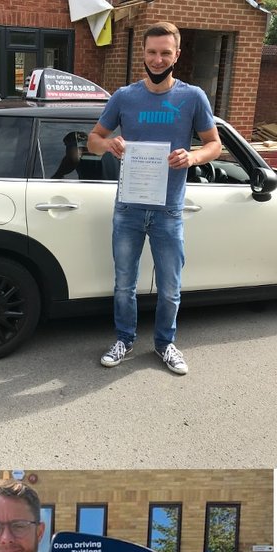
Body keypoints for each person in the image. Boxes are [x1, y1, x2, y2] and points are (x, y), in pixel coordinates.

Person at [88, 22, 218, 376]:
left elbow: (214, 145)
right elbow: (93, 139)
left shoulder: (193, 97)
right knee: (124, 285)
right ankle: (124, 339)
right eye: (151, 52)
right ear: (142, 55)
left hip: (169, 210)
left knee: (171, 287)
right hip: (128, 207)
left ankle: (165, 344)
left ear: (177, 54)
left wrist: (191, 157)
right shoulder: (124, 97)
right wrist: (109, 144)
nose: (157, 59)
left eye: (165, 52)